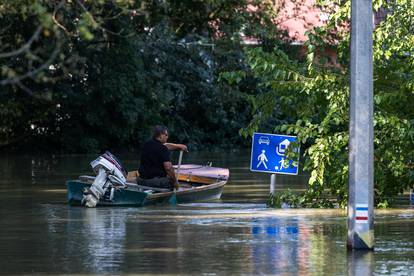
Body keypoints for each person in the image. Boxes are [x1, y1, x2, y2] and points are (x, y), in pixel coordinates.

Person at [138, 125, 187, 190]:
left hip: (140, 180)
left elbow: (166, 145)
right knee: (171, 181)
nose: (167, 137)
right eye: (166, 135)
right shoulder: (162, 148)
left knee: (165, 176)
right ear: (161, 135)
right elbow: (168, 168)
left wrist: (179, 146)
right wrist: (175, 181)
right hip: (152, 182)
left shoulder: (147, 144)